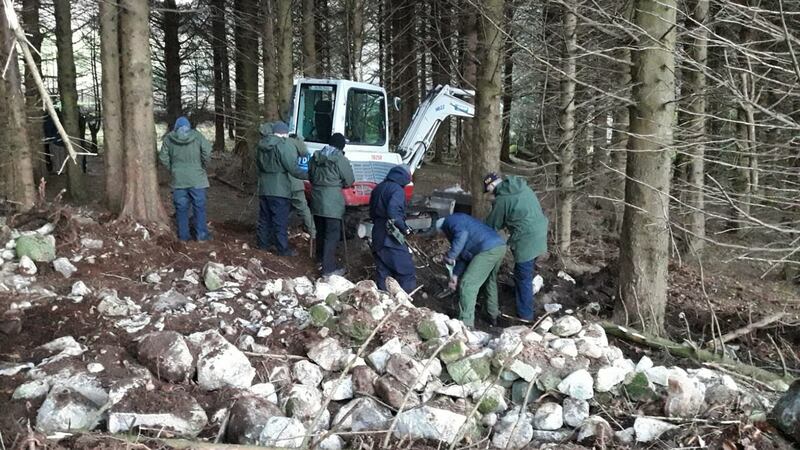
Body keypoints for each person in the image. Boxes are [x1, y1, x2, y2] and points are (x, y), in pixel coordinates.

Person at [484, 172, 549, 322]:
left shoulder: (502, 200)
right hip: (540, 231)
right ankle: (524, 300)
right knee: (526, 270)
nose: (490, 195)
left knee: (523, 276)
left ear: (492, 186)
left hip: (526, 238)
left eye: (489, 191)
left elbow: (491, 226)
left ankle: (526, 316)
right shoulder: (522, 187)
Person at [438, 213, 507, 328]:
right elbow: (464, 256)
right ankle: (493, 316)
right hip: (499, 246)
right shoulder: (462, 223)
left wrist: (451, 256)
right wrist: (455, 275)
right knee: (489, 281)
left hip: (487, 248)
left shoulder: (451, 221)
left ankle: (466, 324)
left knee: (467, 284)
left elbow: (462, 236)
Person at [256, 121, 309, 256]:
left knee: (264, 218)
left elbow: (259, 164)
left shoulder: (262, 144)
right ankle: (282, 249)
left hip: (264, 187)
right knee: (280, 220)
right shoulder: (283, 145)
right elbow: (292, 168)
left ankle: (262, 245)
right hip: (279, 189)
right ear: (284, 133)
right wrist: (309, 175)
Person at [158, 116, 212, 241]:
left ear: (176, 127)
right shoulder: (197, 136)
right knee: (199, 208)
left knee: (181, 209)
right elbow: (207, 152)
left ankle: (183, 237)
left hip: (179, 180)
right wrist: (202, 166)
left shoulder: (169, 139)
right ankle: (202, 236)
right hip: (197, 179)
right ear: (189, 127)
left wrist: (173, 168)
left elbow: (163, 157)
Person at [308, 133, 355, 276]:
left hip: (316, 199)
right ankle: (328, 269)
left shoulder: (315, 157)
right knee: (332, 234)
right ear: (341, 146)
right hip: (332, 202)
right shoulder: (340, 160)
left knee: (321, 230)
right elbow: (350, 180)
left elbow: (310, 176)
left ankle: (320, 259)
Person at [369, 164, 416, 293]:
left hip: (377, 234)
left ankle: (383, 302)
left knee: (383, 273)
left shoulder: (379, 187)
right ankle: (407, 305)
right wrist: (405, 228)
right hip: (391, 238)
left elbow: (371, 212)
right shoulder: (397, 190)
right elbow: (393, 212)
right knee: (406, 272)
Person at [288, 134, 316, 237]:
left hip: (279, 185)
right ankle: (313, 233)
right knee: (303, 209)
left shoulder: (280, 144)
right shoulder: (298, 143)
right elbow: (305, 153)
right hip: (295, 182)